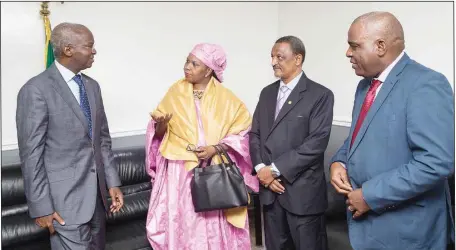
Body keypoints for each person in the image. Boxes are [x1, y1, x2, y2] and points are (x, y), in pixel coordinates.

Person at [330, 11, 455, 249]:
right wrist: (339, 162)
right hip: (369, 228)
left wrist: (369, 195)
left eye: (354, 46)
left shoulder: (426, 84)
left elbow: (436, 162)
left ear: (380, 46)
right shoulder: (364, 86)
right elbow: (357, 138)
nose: (348, 53)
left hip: (407, 232)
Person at [16, 22, 124, 250]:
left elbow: (102, 140)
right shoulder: (35, 90)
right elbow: (31, 155)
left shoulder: (92, 86)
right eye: (90, 46)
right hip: (63, 203)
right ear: (68, 49)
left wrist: (112, 182)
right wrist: (41, 207)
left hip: (97, 199)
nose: (94, 51)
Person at [145, 43, 259, 250]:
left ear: (208, 70)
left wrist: (215, 148)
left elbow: (243, 133)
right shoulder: (175, 92)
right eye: (187, 61)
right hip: (180, 172)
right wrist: (161, 125)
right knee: (185, 221)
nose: (187, 67)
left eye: (194, 63)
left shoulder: (228, 99)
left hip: (214, 173)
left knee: (212, 220)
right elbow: (160, 136)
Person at [249, 35, 334, 250]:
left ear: (298, 59)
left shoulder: (320, 95)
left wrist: (275, 170)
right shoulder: (267, 93)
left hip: (302, 194)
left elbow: (315, 144)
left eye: (280, 56)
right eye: (272, 56)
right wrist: (262, 171)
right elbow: (255, 135)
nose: (273, 62)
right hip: (270, 193)